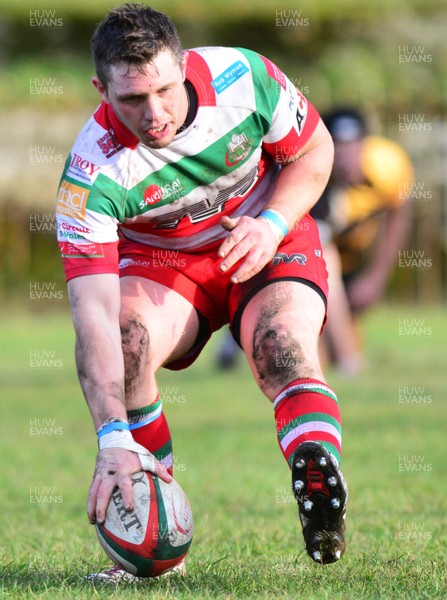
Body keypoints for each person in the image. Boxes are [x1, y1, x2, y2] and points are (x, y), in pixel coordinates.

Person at [55, 3, 348, 580]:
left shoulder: (247, 78)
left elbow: (315, 152)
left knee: (280, 343)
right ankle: (152, 519)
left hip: (264, 230)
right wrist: (111, 435)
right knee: (126, 339)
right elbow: (91, 310)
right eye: (131, 100)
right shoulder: (89, 173)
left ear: (185, 64)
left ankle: (317, 476)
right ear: (100, 89)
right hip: (166, 263)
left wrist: (273, 224)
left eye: (164, 89)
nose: (154, 113)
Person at [310, 108, 414, 375]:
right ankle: (350, 362)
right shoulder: (312, 175)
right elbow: (321, 253)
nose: (346, 157)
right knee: (315, 339)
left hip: (355, 253)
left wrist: (376, 277)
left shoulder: (388, 165)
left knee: (336, 340)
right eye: (339, 147)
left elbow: (399, 213)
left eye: (353, 145)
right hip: (319, 257)